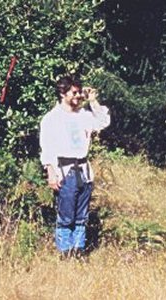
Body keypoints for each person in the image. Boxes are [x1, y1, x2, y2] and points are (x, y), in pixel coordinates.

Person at [39, 75, 110, 258]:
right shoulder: (51, 118)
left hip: (84, 171)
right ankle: (65, 252)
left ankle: (78, 251)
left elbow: (103, 122)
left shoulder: (84, 116)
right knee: (66, 216)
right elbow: (46, 147)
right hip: (65, 170)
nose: (78, 96)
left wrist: (93, 102)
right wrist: (51, 172)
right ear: (63, 93)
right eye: (75, 92)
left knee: (81, 215)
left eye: (80, 92)